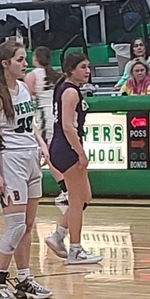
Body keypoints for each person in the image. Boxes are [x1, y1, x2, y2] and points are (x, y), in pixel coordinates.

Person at [0, 41, 54, 299]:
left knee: (28, 225)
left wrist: (41, 144)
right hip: (10, 160)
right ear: (5, 64)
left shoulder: (23, 88)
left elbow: (30, 124)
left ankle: (24, 280)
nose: (25, 64)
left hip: (30, 157)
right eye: (20, 60)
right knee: (15, 227)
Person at [43, 52, 102, 265]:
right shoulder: (70, 91)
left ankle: (58, 235)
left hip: (63, 147)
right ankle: (75, 250)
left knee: (85, 197)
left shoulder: (66, 88)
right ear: (70, 69)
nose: (87, 71)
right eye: (83, 67)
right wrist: (81, 153)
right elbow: (68, 126)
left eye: (88, 67)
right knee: (76, 201)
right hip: (67, 148)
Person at [24, 46, 67, 205]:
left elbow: (26, 100)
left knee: (48, 157)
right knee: (55, 155)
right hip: (57, 115)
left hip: (43, 117)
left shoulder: (32, 75)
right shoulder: (57, 74)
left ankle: (66, 189)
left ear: (35, 58)